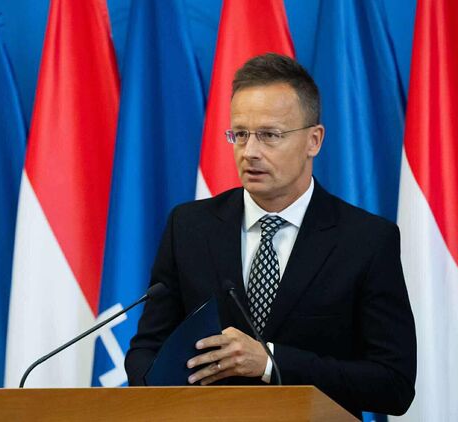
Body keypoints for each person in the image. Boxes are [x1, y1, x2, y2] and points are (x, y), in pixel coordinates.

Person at [124, 53, 416, 417]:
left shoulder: (367, 240)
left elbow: (393, 384)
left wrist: (269, 362)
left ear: (314, 140)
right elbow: (146, 351)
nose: (250, 152)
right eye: (240, 134)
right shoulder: (189, 227)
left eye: (269, 135)